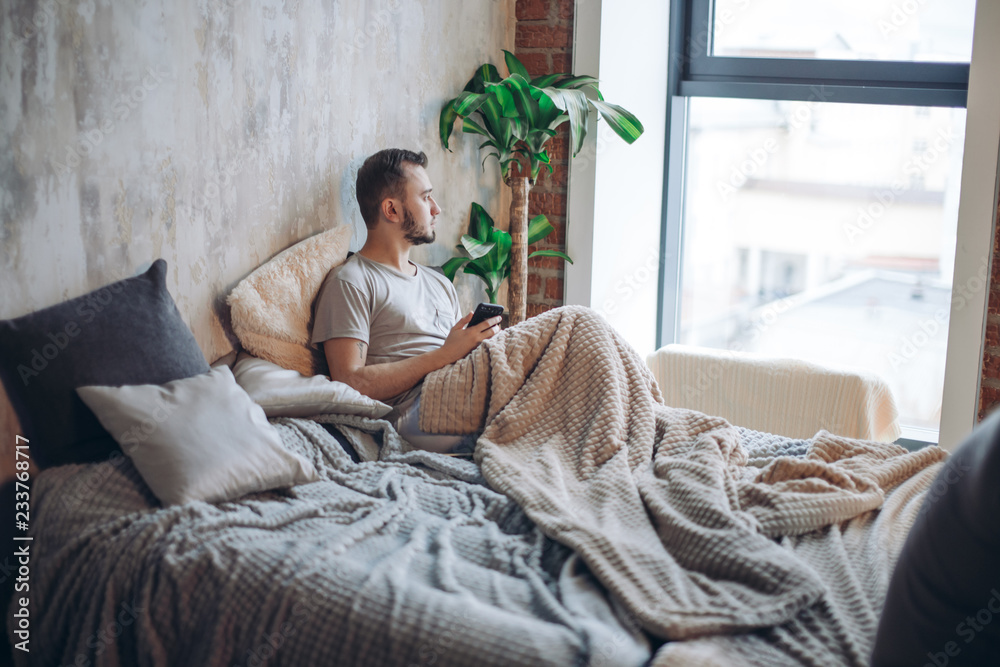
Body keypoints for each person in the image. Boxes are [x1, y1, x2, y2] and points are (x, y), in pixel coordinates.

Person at [311, 148, 502, 452]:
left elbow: (457, 358)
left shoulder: (439, 283)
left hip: (464, 388)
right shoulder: (351, 281)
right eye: (426, 197)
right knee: (575, 323)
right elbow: (351, 382)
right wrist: (444, 355)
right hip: (417, 413)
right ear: (392, 210)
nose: (436, 209)